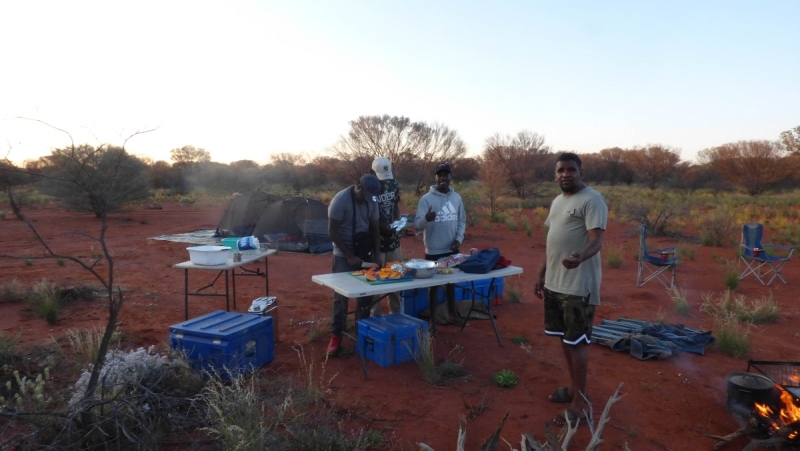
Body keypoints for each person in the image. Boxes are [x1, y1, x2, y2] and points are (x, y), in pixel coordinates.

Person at [533, 152, 608, 428]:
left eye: (571, 170)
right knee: (565, 340)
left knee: (576, 343)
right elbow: (551, 241)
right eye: (561, 170)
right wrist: (542, 273)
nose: (565, 174)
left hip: (578, 286)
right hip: (554, 284)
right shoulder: (557, 201)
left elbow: (596, 240)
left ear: (581, 172)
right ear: (555, 174)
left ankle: (580, 403)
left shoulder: (592, 199)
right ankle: (575, 391)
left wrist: (580, 257)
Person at [326, 174, 382, 356]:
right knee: (341, 297)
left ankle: (361, 333)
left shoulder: (371, 201)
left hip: (364, 252)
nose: (365, 200)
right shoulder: (340, 200)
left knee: (366, 295)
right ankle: (336, 336)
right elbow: (332, 231)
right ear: (357, 185)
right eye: (363, 195)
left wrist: (377, 254)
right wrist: (349, 255)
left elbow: (374, 228)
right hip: (344, 254)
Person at [413, 162, 466, 336]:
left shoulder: (456, 198)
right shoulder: (426, 199)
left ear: (450, 177)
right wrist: (426, 219)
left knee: (450, 284)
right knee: (433, 287)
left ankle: (452, 314)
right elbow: (417, 226)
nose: (443, 177)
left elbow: (461, 221)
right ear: (435, 178)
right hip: (433, 251)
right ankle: (433, 322)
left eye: (446, 174)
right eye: (439, 175)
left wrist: (458, 239)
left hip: (451, 249)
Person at [370, 156, 403, 316]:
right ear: (372, 173)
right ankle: (374, 317)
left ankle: (396, 315)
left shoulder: (393, 183)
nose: (384, 181)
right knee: (374, 281)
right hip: (375, 243)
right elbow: (366, 217)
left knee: (396, 278)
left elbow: (396, 206)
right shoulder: (368, 188)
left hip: (393, 241)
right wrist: (381, 226)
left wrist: (397, 222)